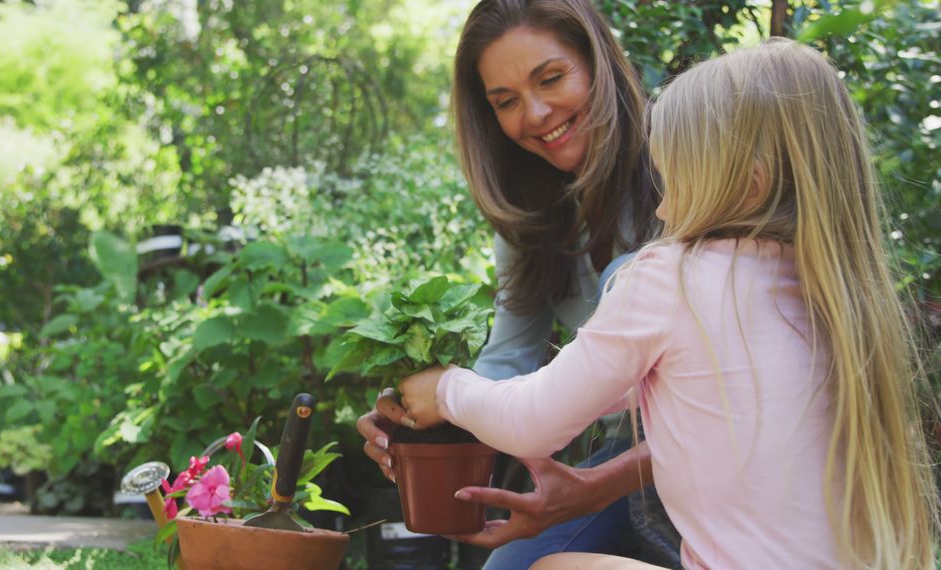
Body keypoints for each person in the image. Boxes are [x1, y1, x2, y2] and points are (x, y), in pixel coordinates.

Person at [398, 38, 940, 569]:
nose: (662, 204)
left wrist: (447, 390)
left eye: (673, 175)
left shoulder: (670, 278)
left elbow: (533, 420)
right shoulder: (831, 289)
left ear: (748, 181)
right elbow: (653, 386)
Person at [357, 0, 667, 567]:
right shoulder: (531, 215)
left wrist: (597, 485)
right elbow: (510, 361)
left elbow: (735, 404)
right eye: (505, 102)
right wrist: (417, 412)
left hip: (715, 449)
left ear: (598, 63)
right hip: (628, 455)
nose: (538, 113)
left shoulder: (683, 166)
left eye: (551, 78)